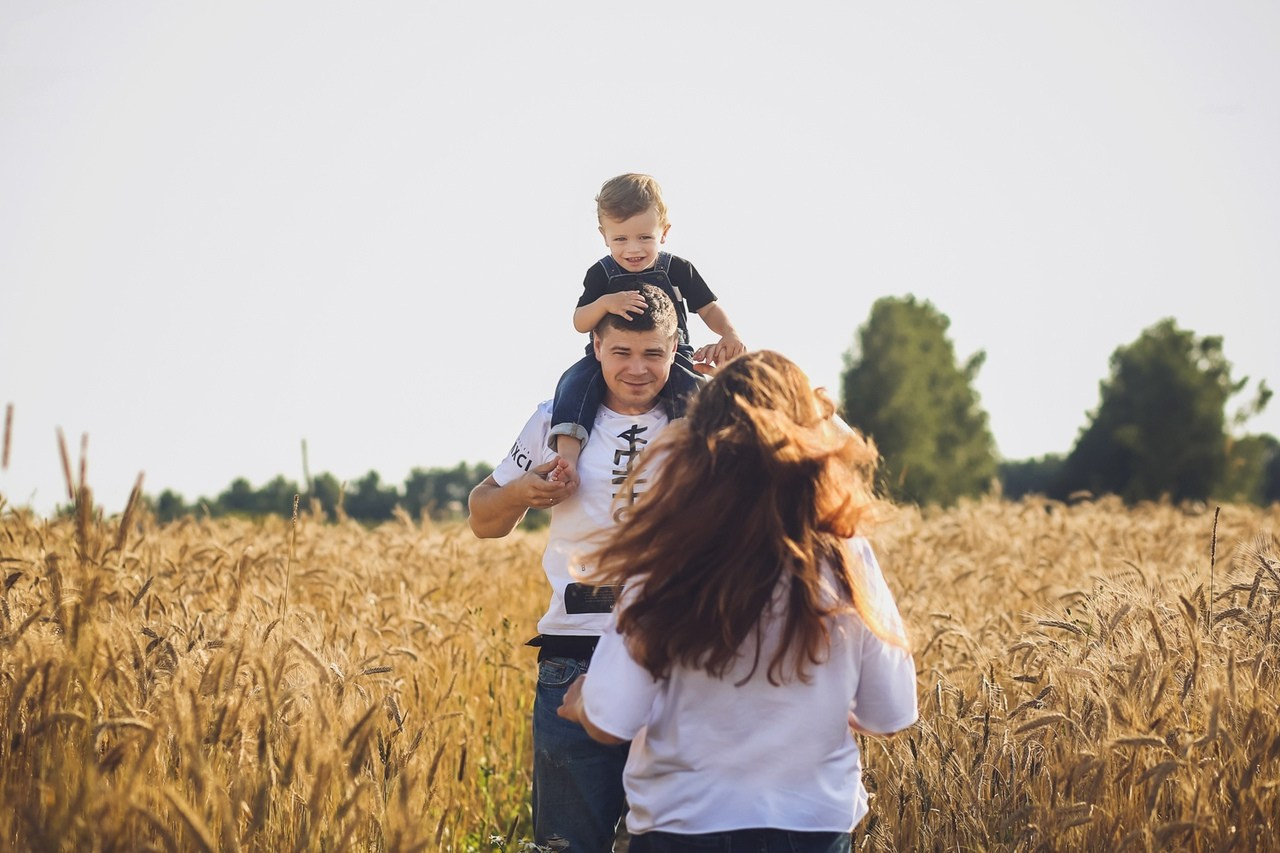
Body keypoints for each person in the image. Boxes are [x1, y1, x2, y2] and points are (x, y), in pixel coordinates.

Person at [557, 350, 918, 853]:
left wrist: (582, 701)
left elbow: (612, 719)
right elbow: (891, 713)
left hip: (683, 828)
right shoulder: (845, 552)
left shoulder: (667, 548)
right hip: (812, 830)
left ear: (700, 443)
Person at [468, 284, 683, 852]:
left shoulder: (703, 426)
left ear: (675, 347)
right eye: (621, 353)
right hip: (572, 656)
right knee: (569, 846)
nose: (637, 369)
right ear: (595, 347)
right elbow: (482, 518)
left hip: (677, 665)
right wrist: (523, 493)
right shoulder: (556, 421)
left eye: (654, 354)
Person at [548, 173, 745, 486]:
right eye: (621, 240)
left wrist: (729, 334)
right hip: (607, 358)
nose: (633, 249)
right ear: (604, 236)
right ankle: (567, 458)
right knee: (573, 384)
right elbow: (580, 322)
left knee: (690, 388)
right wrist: (605, 304)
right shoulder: (601, 274)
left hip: (671, 353)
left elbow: (708, 307)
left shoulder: (678, 269)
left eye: (644, 238)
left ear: (664, 232)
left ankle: (688, 456)